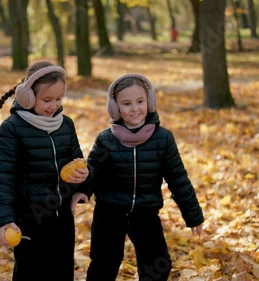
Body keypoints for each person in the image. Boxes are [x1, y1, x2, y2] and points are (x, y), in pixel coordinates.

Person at [0, 61, 90, 281]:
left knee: (62, 271)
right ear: (27, 96)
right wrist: (4, 219)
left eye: (58, 99)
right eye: (47, 100)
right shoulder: (13, 128)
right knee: (30, 273)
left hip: (62, 219)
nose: (54, 105)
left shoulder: (66, 125)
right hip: (29, 219)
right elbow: (3, 178)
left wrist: (81, 186)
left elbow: (77, 161)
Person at [82, 73, 204, 281]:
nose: (134, 108)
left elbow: (178, 178)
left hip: (145, 213)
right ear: (115, 108)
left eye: (140, 101)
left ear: (150, 101)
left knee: (158, 265)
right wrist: (81, 192)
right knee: (104, 263)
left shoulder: (163, 139)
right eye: (126, 103)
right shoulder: (106, 139)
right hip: (109, 212)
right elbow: (92, 172)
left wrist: (193, 216)